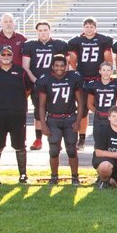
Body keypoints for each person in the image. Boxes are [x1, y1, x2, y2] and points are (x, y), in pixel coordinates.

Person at [0, 44, 31, 185]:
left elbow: (27, 91)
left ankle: (23, 175)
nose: (6, 57)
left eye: (9, 54)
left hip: (17, 115)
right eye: (3, 54)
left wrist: (17, 103)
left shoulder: (20, 72)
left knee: (20, 144)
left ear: (12, 56)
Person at [36, 54, 85, 185]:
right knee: (53, 150)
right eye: (56, 65)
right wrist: (43, 124)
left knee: (71, 149)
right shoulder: (46, 80)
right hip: (53, 119)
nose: (59, 68)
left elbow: (81, 102)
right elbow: (41, 106)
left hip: (70, 118)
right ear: (52, 67)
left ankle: (75, 177)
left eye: (62, 65)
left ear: (66, 66)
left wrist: (78, 120)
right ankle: (54, 177)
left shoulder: (73, 78)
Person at [67, 17, 113, 150]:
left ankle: (109, 137)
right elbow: (72, 61)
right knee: (82, 110)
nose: (89, 29)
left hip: (99, 79)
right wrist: (76, 74)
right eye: (86, 26)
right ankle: (81, 139)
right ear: (83, 28)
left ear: (96, 27)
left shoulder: (103, 40)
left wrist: (106, 75)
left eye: (92, 26)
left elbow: (108, 59)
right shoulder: (76, 41)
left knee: (104, 108)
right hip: (83, 78)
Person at [21, 21, 68, 151]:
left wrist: (60, 79)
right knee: (38, 111)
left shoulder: (59, 45)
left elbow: (66, 64)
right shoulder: (30, 46)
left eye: (45, 30)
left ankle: (57, 139)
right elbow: (25, 66)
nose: (43, 32)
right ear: (37, 32)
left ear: (50, 30)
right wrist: (35, 81)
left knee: (56, 111)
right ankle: (38, 139)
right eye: (40, 30)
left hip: (55, 83)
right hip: (37, 84)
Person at [86, 62, 117, 141]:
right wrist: (98, 112)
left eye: (108, 70)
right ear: (100, 71)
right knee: (98, 143)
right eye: (104, 70)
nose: (106, 72)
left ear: (111, 71)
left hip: (111, 118)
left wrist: (115, 115)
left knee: (112, 142)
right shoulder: (94, 85)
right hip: (99, 118)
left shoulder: (116, 85)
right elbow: (89, 105)